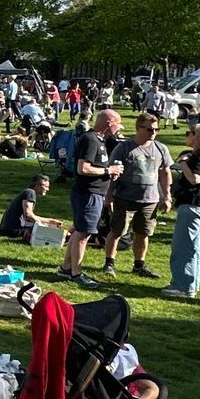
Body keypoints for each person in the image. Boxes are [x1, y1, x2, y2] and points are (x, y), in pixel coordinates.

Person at [99, 113, 172, 279]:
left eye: (156, 129)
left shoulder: (161, 148)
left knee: (143, 233)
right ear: (138, 128)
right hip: (125, 197)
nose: (153, 132)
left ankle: (139, 265)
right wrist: (109, 196)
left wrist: (167, 196)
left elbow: (165, 172)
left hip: (150, 200)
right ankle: (109, 263)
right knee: (117, 231)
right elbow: (113, 174)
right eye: (149, 129)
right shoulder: (124, 148)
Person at [61, 110, 124, 288]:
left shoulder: (101, 140)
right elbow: (83, 168)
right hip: (87, 194)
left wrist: (110, 171)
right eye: (117, 124)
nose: (118, 129)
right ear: (109, 122)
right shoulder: (90, 140)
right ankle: (76, 273)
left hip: (95, 193)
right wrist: (108, 171)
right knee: (83, 234)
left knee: (80, 231)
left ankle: (66, 268)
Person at [164, 124, 200, 299]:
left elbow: (195, 179)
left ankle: (182, 286)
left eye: (189, 133)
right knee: (193, 246)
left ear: (199, 136)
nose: (186, 135)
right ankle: (190, 284)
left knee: (183, 246)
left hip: (193, 205)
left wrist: (183, 164)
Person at [0, 174, 61, 240]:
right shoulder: (30, 193)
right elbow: (28, 216)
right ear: (37, 185)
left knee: (48, 226)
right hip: (13, 230)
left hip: (6, 229)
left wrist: (49, 221)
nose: (48, 189)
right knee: (52, 231)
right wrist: (49, 221)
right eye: (46, 186)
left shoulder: (28, 192)